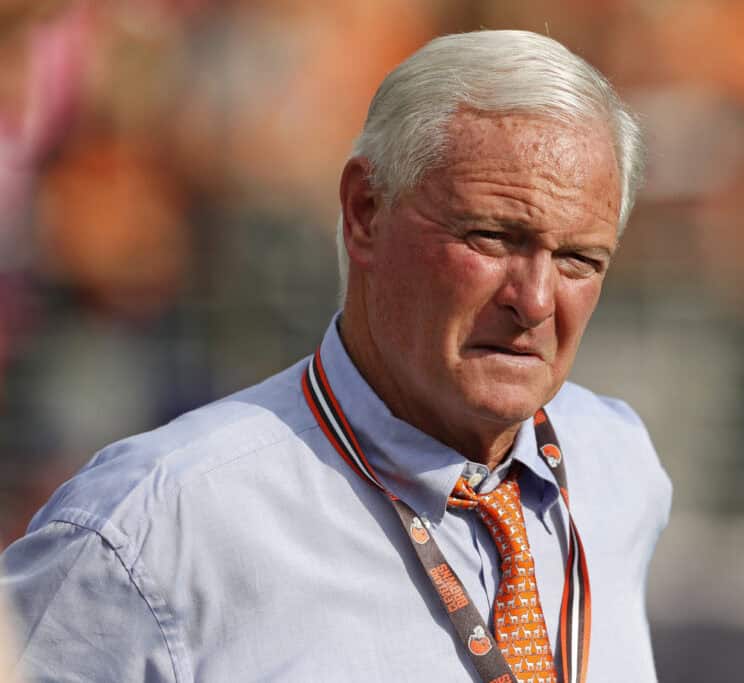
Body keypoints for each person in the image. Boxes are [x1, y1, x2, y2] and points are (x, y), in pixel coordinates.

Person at [0, 29, 671, 682]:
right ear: (364, 212)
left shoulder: (617, 463)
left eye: (581, 259)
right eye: (493, 237)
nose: (536, 301)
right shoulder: (150, 533)